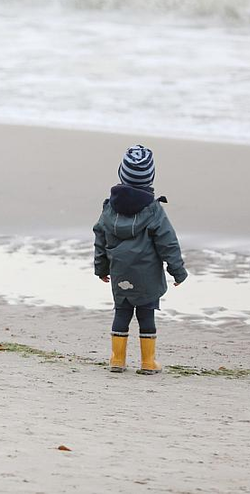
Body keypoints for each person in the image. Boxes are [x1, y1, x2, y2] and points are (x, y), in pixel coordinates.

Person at [93, 145, 187, 374]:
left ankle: (117, 360)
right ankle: (147, 362)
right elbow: (168, 242)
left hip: (120, 273)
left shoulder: (109, 209)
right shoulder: (153, 211)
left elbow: (100, 238)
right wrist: (178, 270)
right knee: (146, 314)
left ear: (121, 174)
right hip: (146, 276)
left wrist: (101, 268)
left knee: (122, 312)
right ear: (150, 179)